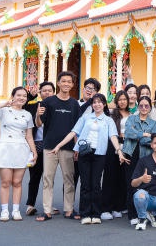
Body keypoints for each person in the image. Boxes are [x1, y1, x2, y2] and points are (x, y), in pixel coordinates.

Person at [51, 93, 125, 224]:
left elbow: (113, 136)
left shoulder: (108, 120)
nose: (97, 104)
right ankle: (85, 213)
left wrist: (119, 151)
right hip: (85, 153)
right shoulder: (86, 117)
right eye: (94, 102)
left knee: (95, 184)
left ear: (104, 104)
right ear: (92, 104)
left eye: (99, 102)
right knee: (85, 184)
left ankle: (95, 213)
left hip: (100, 154)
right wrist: (59, 145)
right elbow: (73, 132)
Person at [0, 86, 37, 221]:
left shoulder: (27, 114)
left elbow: (29, 136)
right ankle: (4, 211)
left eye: (24, 96)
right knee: (5, 181)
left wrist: (34, 152)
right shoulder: (4, 111)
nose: (22, 98)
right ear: (13, 96)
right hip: (5, 148)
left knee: (17, 182)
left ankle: (15, 210)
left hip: (21, 149)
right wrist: (5, 103)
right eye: (19, 95)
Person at [35, 71, 81, 221]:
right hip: (49, 146)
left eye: (69, 82)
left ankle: (69, 209)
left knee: (69, 179)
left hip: (68, 148)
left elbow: (77, 129)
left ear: (72, 85)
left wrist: (76, 148)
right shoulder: (49, 102)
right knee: (48, 178)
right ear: (59, 83)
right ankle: (47, 210)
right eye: (64, 81)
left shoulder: (74, 104)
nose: (66, 84)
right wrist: (37, 115)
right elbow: (39, 124)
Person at [123, 95, 156, 224]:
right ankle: (132, 215)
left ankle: (141, 214)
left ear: (150, 108)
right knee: (130, 184)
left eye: (146, 106)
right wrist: (143, 134)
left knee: (143, 185)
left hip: (145, 158)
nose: (144, 108)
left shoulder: (153, 123)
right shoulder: (131, 119)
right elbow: (127, 133)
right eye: (141, 105)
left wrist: (139, 136)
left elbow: (152, 140)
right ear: (138, 107)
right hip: (130, 156)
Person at [23, 81, 54, 216]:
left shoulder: (56, 106)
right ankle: (30, 205)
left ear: (53, 92)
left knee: (49, 178)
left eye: (50, 90)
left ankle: (49, 206)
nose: (47, 92)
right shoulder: (33, 106)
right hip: (37, 145)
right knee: (35, 176)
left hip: (52, 145)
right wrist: (30, 96)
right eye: (44, 90)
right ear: (40, 93)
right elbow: (20, 105)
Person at [100, 90, 131, 220]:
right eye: (120, 99)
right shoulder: (112, 114)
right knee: (110, 178)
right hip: (114, 147)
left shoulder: (132, 114)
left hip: (128, 148)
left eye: (125, 99)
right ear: (116, 101)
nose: (122, 101)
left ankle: (118, 207)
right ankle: (106, 208)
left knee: (122, 179)